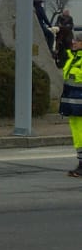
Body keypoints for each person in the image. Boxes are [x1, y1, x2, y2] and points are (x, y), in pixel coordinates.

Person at [58, 34, 82, 178]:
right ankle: (81, 163)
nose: (74, 42)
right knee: (78, 137)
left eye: (78, 41)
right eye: (74, 40)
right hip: (74, 107)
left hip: (79, 106)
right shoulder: (73, 58)